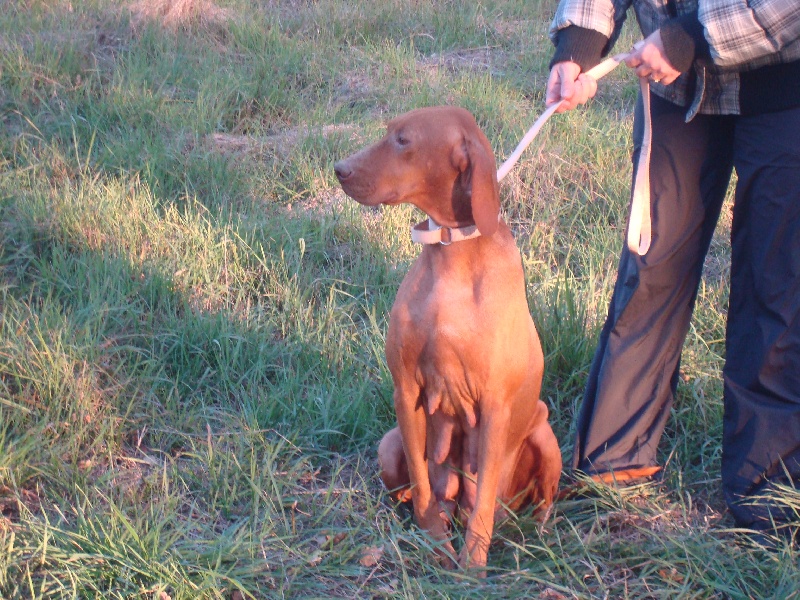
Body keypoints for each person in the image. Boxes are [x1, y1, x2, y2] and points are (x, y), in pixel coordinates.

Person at [546, 0, 800, 539]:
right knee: (651, 269)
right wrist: (578, 48)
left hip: (787, 86)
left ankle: (768, 494)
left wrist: (691, 37)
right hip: (675, 88)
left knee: (775, 290)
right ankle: (614, 469)